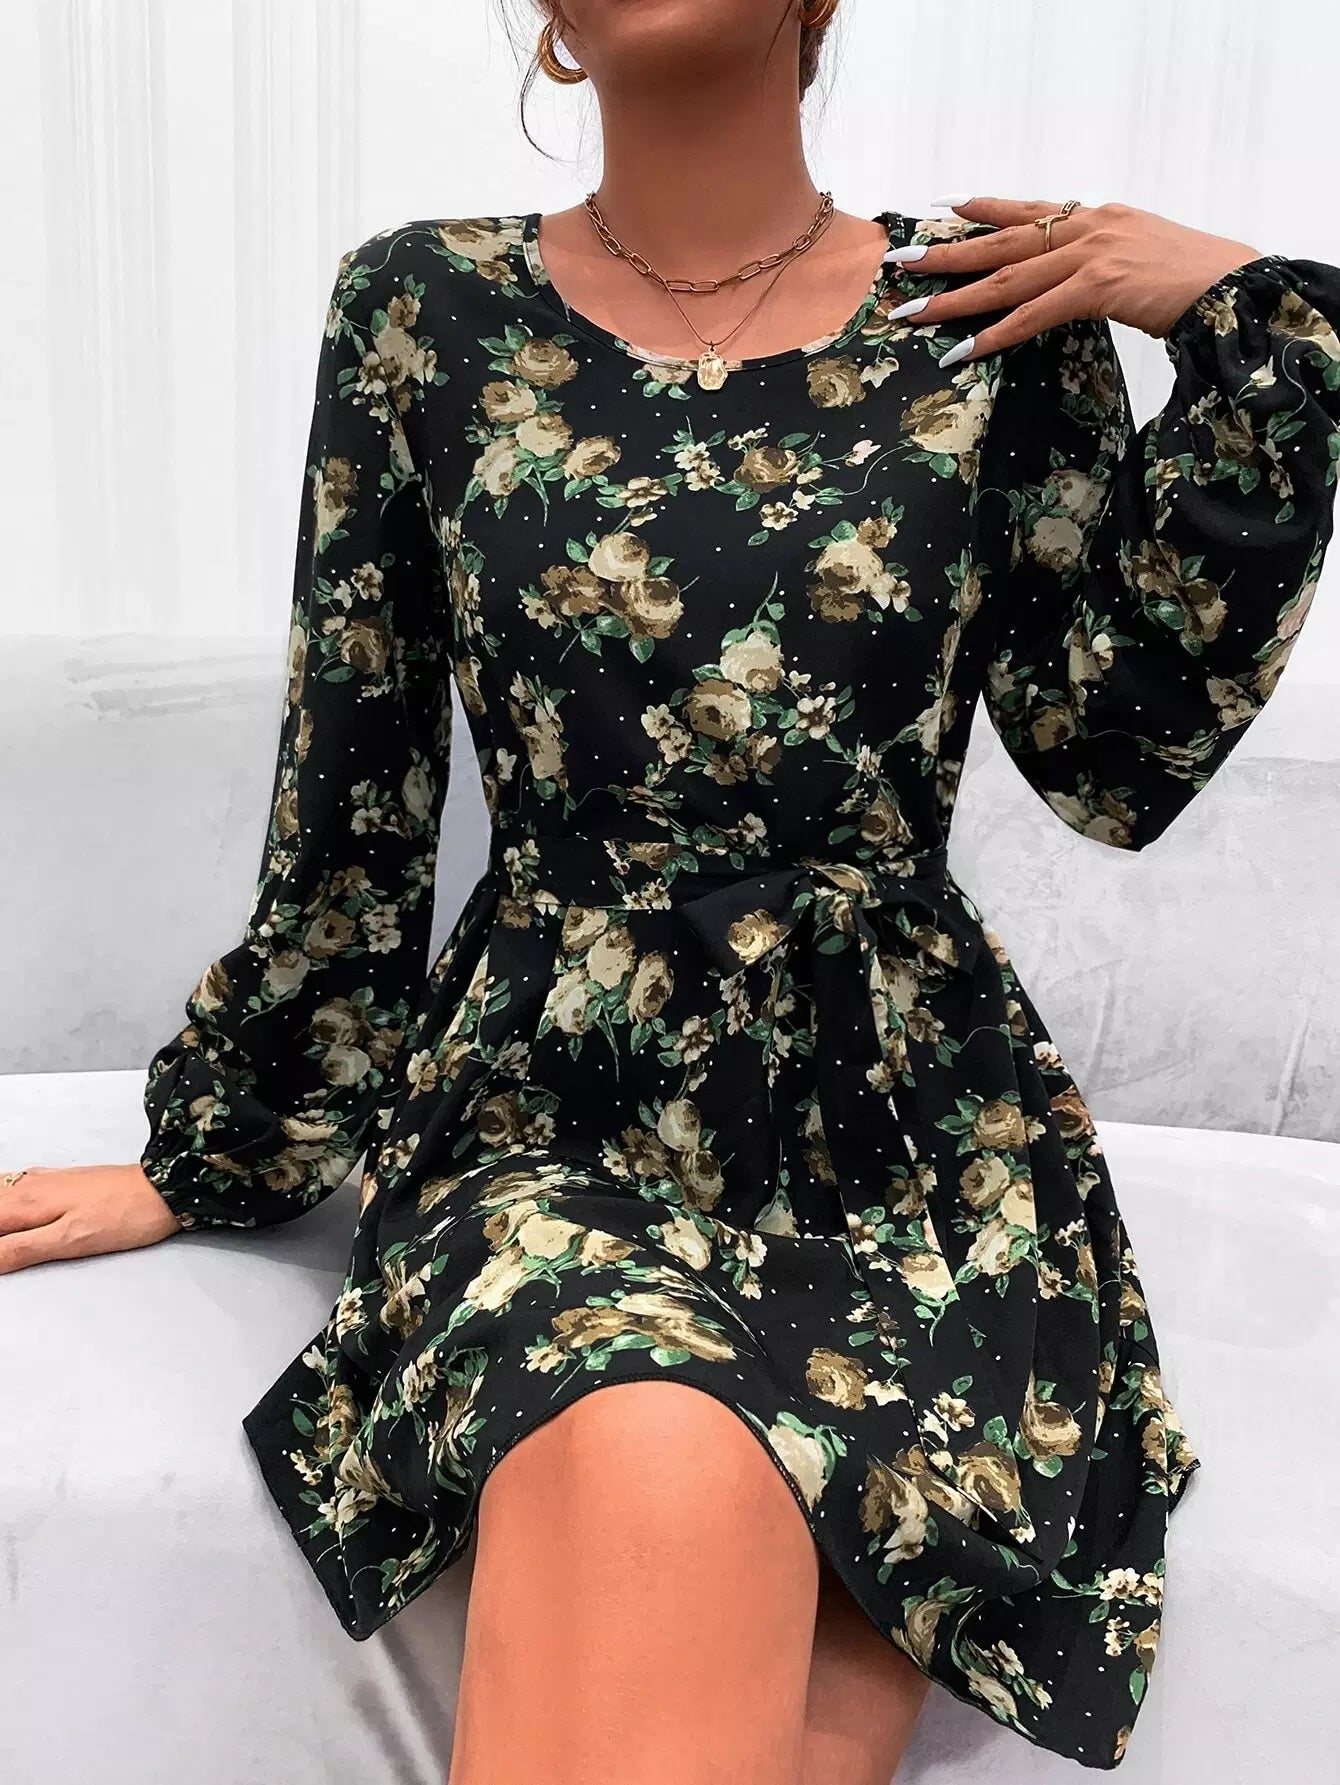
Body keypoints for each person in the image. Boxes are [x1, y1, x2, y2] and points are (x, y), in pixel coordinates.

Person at [4, 2, 1339, 1779]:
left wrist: (1248, 317)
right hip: (552, 1116)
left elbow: (1113, 756)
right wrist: (217, 1157)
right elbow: (356, 792)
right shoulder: (422, 310)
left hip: (907, 1146)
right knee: (649, 1445)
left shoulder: (990, 318)